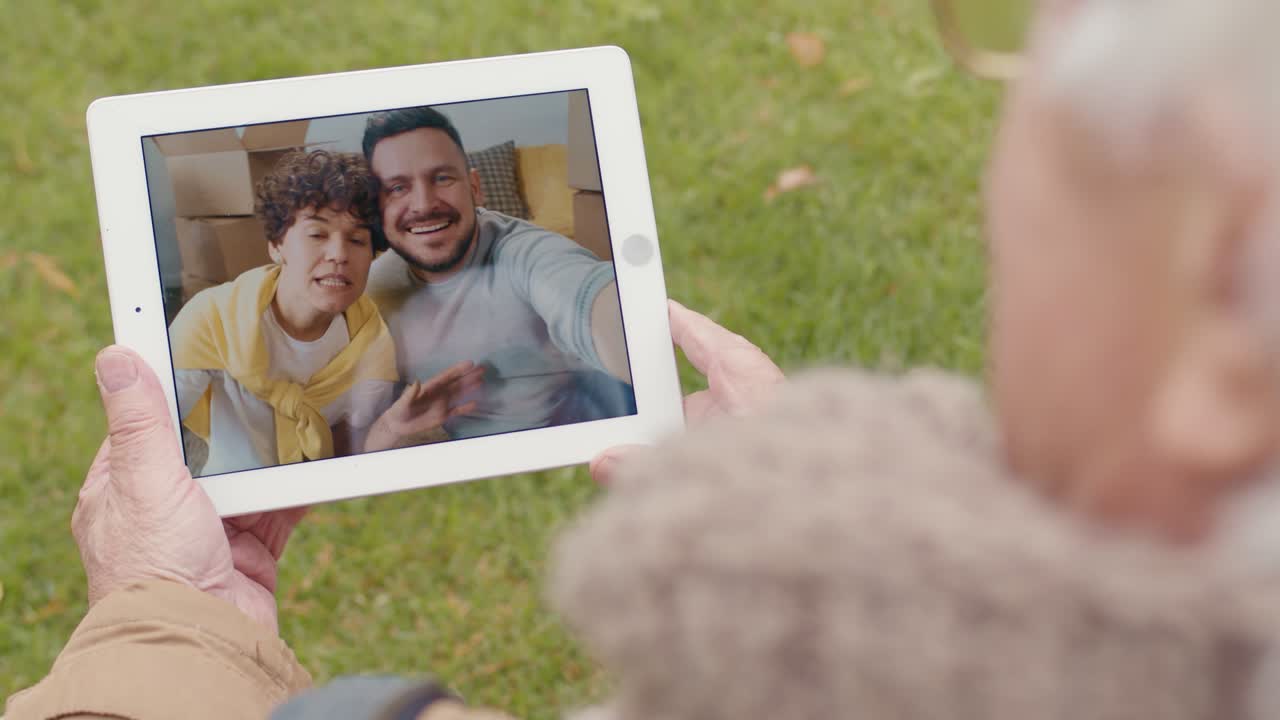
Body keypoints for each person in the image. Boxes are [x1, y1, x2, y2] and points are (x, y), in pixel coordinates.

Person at [12, 0, 1280, 717]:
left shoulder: (521, 257)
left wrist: (164, 624)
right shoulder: (358, 290)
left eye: (1028, 67)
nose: (411, 211)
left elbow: (594, 307)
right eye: (383, 197)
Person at [170, 149, 483, 477]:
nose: (339, 254)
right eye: (317, 234)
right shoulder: (213, 318)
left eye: (358, 240)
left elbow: (344, 454)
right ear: (277, 245)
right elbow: (153, 429)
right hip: (232, 491)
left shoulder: (371, 342)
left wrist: (390, 427)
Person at [360, 106, 634, 440]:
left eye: (442, 178)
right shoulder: (370, 289)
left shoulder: (524, 252)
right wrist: (388, 429)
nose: (423, 204)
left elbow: (589, 298)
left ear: (475, 187)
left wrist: (641, 334)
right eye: (397, 188)